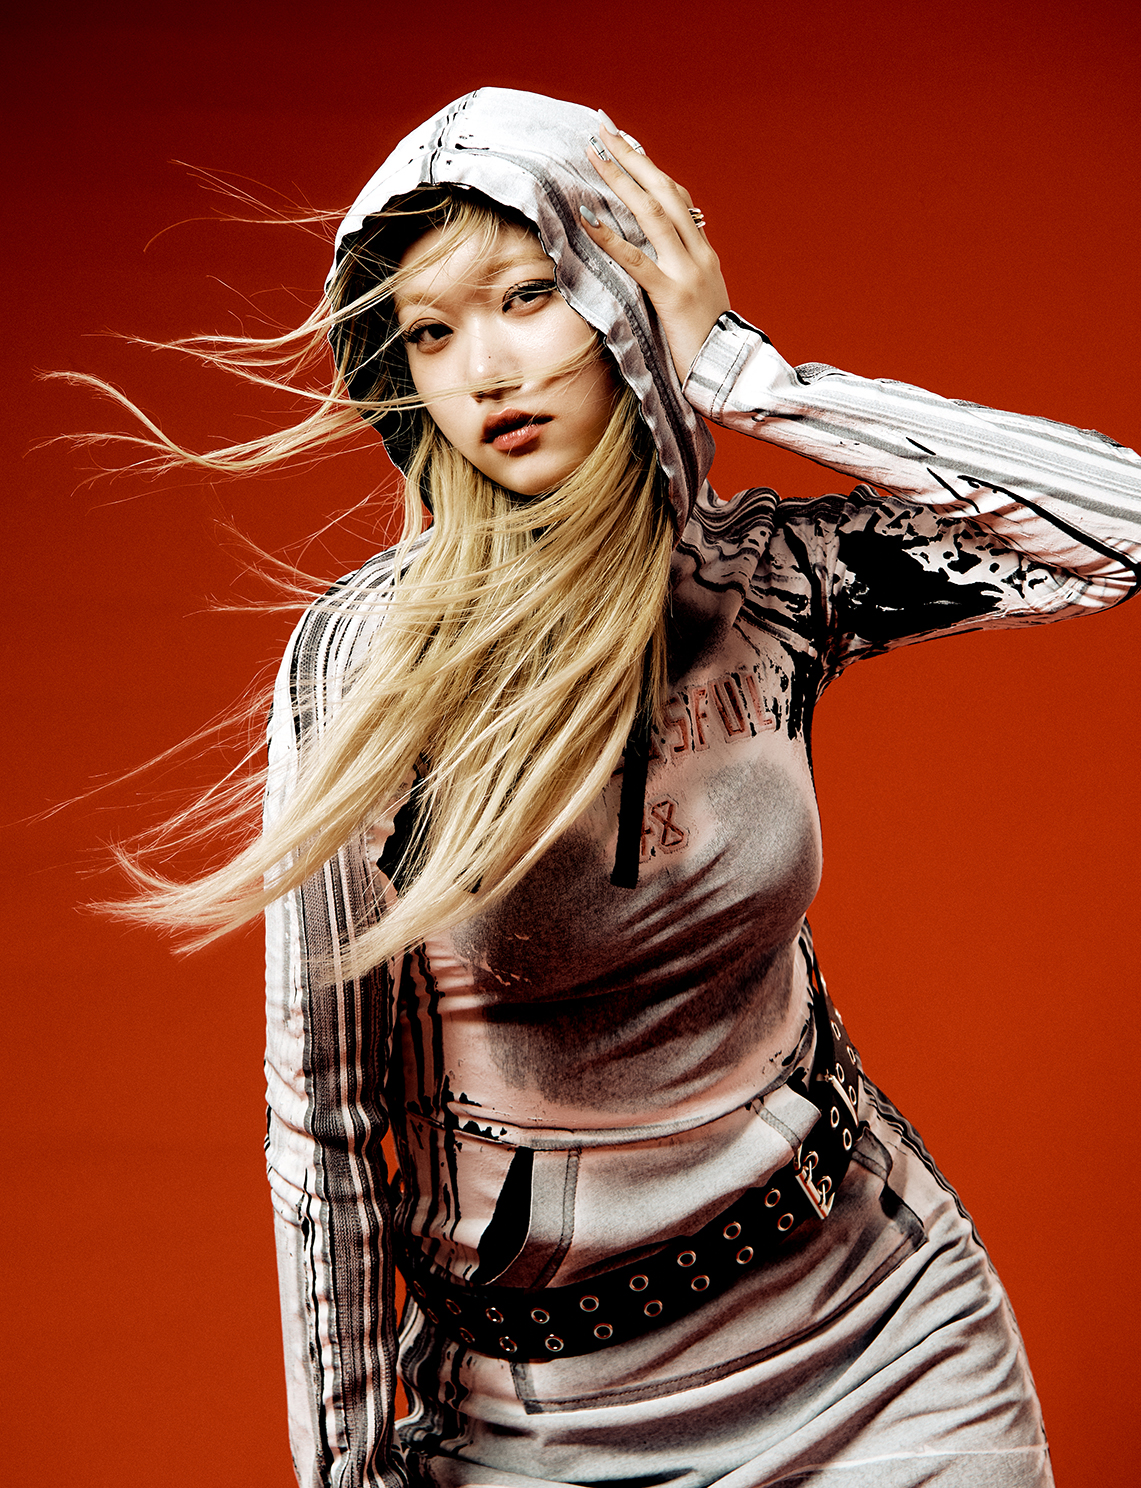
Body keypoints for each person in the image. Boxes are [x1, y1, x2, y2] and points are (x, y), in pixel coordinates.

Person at [115, 89, 1140, 1485]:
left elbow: (1119, 529)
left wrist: (747, 376)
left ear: (623, 296)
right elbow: (326, 1132)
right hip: (546, 1418)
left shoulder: (767, 586)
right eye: (432, 330)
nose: (486, 371)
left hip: (882, 1344)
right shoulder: (372, 666)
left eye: (527, 296)